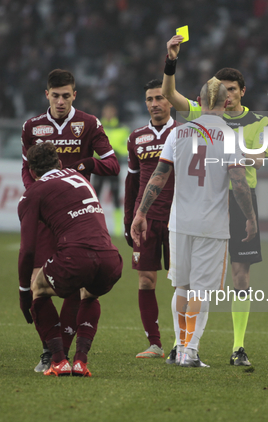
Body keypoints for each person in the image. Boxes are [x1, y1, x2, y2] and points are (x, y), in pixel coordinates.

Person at [131, 77, 257, 368]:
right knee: (202, 289)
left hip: (179, 222)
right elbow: (239, 183)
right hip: (211, 225)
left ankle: (178, 349)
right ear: (227, 103)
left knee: (182, 287)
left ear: (198, 102)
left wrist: (141, 213)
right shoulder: (230, 136)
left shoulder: (178, 133)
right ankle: (190, 351)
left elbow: (159, 176)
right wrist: (250, 218)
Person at [162, 35, 268, 366]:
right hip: (205, 197)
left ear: (241, 92)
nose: (227, 95)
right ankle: (182, 345)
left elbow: (263, 158)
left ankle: (237, 347)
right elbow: (169, 95)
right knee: (190, 280)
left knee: (240, 275)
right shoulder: (201, 111)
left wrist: (231, 152)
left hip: (238, 199)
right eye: (223, 90)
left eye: (233, 90)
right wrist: (171, 60)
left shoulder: (258, 122)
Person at [21, 69, 120, 372]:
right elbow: (27, 169)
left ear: (74, 95)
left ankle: (59, 351)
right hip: (47, 214)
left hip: (76, 216)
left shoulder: (89, 124)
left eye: (66, 95)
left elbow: (112, 164)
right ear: (47, 95)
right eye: (55, 95)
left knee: (76, 287)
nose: (61, 101)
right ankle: (49, 351)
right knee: (42, 277)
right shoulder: (32, 127)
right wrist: (37, 193)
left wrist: (83, 164)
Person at [124, 79, 177, 359]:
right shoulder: (136, 137)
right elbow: (131, 184)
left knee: (182, 282)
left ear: (170, 100)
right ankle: (155, 344)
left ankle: (184, 342)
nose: (154, 103)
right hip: (145, 221)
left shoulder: (184, 134)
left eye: (159, 97)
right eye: (149, 99)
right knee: (145, 280)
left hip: (178, 219)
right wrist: (128, 220)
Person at [93, 103, 130, 236]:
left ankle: (118, 230)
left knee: (115, 197)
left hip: (114, 166)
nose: (108, 113)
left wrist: (112, 150)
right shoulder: (96, 127)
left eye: (110, 111)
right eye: (106, 110)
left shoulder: (122, 128)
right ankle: (93, 226)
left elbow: (127, 147)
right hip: (99, 166)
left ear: (114, 112)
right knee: (94, 197)